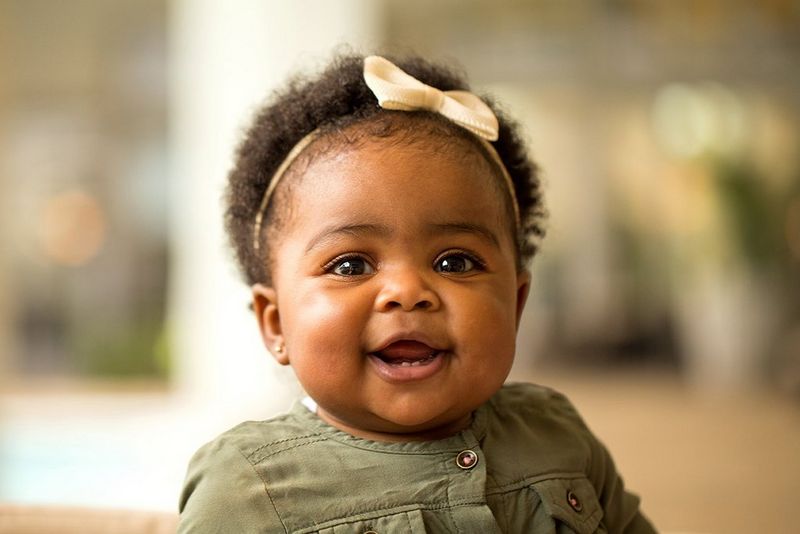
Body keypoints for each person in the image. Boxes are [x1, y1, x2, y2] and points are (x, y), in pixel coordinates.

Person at [177, 53, 656, 533]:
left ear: (515, 304)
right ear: (276, 323)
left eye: (455, 262)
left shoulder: (556, 433)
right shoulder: (249, 490)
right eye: (350, 265)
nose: (408, 291)